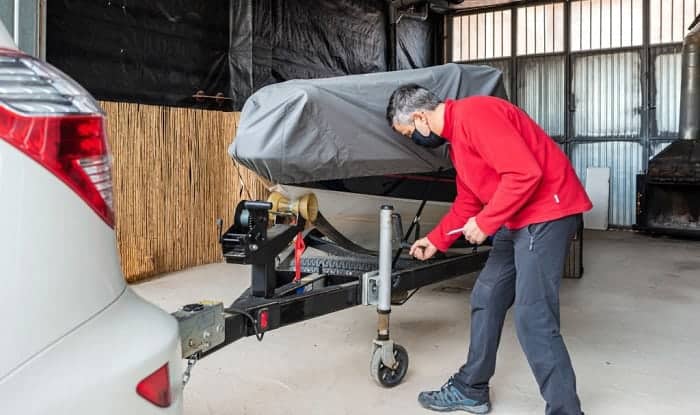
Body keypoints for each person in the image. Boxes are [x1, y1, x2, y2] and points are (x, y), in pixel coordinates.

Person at [385, 84, 592, 415]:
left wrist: (486, 222)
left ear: (421, 117)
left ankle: (566, 410)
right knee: (487, 296)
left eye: (409, 133)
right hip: (515, 219)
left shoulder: (476, 114)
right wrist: (436, 240)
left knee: (532, 317)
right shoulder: (458, 145)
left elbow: (526, 173)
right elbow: (468, 199)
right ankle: (472, 388)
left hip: (545, 215)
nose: (414, 139)